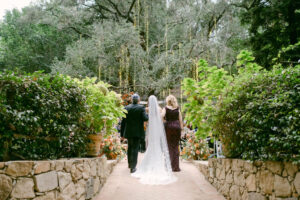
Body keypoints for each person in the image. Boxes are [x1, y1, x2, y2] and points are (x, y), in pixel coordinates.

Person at [132, 95, 177, 185]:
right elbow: (162, 118)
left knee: (151, 144)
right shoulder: (159, 109)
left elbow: (145, 118)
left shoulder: (147, 109)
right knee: (157, 145)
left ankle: (147, 164)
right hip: (157, 129)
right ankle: (159, 164)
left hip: (151, 128)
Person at [120, 94, 148, 173]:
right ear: (138, 100)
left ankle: (129, 164)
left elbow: (123, 122)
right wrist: (147, 114)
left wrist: (122, 135)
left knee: (130, 147)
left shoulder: (126, 108)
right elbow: (145, 118)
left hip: (128, 131)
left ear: (132, 100)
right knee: (135, 148)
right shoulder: (141, 108)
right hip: (138, 131)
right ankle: (133, 167)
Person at [161, 95, 183, 172]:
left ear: (168, 101)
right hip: (177, 127)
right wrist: (181, 129)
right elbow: (180, 119)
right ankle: (176, 167)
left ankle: (170, 166)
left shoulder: (165, 108)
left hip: (169, 127)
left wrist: (164, 121)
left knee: (169, 146)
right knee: (176, 146)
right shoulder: (177, 109)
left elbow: (162, 116)